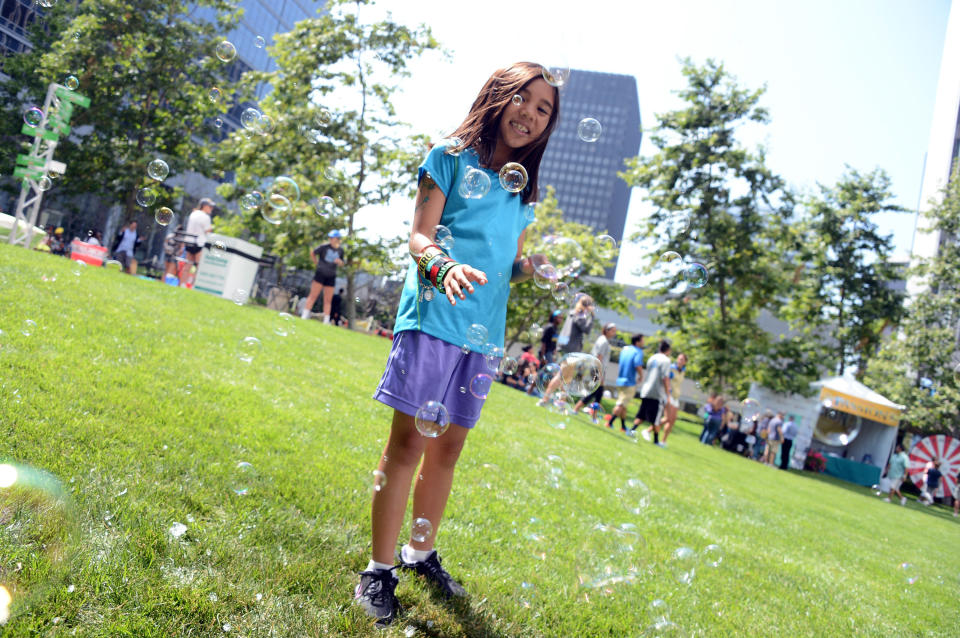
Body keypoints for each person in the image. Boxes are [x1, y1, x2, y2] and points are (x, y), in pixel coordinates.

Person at [356, 62, 560, 626]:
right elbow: (420, 237)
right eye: (524, 99)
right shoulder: (447, 156)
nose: (531, 114)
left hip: (482, 337)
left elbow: (502, 266)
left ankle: (418, 553)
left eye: (544, 110)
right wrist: (441, 267)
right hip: (432, 319)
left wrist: (530, 269)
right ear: (499, 96)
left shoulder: (522, 193)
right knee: (407, 447)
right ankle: (377, 570)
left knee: (447, 450)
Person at [537, 295, 596, 407]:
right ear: (587, 305)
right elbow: (587, 330)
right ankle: (544, 399)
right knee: (561, 376)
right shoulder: (579, 315)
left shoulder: (573, 313)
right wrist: (592, 316)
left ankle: (561, 403)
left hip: (566, 348)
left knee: (566, 377)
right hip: (571, 350)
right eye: (590, 305)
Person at [631, 339, 672, 447]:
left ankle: (631, 430)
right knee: (656, 419)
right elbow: (665, 377)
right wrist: (668, 393)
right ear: (668, 350)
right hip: (657, 393)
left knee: (642, 414)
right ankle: (656, 441)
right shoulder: (666, 361)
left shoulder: (652, 358)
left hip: (646, 390)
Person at [573, 322, 616, 416]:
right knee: (595, 391)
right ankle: (578, 409)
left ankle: (592, 414)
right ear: (607, 330)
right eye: (613, 331)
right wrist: (599, 373)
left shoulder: (603, 340)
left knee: (598, 391)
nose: (614, 333)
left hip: (597, 369)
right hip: (597, 369)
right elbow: (599, 356)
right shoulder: (603, 341)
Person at [302, 231, 345, 322]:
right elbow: (313, 253)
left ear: (338, 239)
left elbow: (342, 263)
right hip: (320, 274)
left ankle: (326, 321)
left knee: (328, 300)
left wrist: (339, 262)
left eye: (333, 238)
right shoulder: (324, 247)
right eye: (330, 238)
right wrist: (316, 263)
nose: (331, 240)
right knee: (313, 295)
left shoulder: (341, 250)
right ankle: (304, 315)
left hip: (331, 276)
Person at [644, 352, 686, 443]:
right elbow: (665, 379)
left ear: (685, 362)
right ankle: (648, 431)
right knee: (667, 418)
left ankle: (663, 441)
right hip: (669, 395)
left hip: (676, 397)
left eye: (682, 359)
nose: (679, 361)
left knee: (672, 420)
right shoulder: (671, 368)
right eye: (679, 358)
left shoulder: (683, 371)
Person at [609, 333, 645, 432]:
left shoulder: (625, 349)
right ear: (637, 342)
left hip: (620, 380)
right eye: (643, 340)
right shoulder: (638, 351)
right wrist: (641, 376)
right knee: (621, 404)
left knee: (624, 406)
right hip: (629, 382)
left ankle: (623, 426)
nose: (644, 342)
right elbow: (637, 364)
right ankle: (610, 422)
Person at [184, 198, 216, 287]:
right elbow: (208, 232)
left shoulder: (193, 213)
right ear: (205, 206)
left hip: (189, 242)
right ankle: (194, 285)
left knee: (187, 266)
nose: (211, 208)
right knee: (199, 266)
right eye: (210, 206)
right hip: (199, 243)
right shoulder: (206, 217)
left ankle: (182, 284)